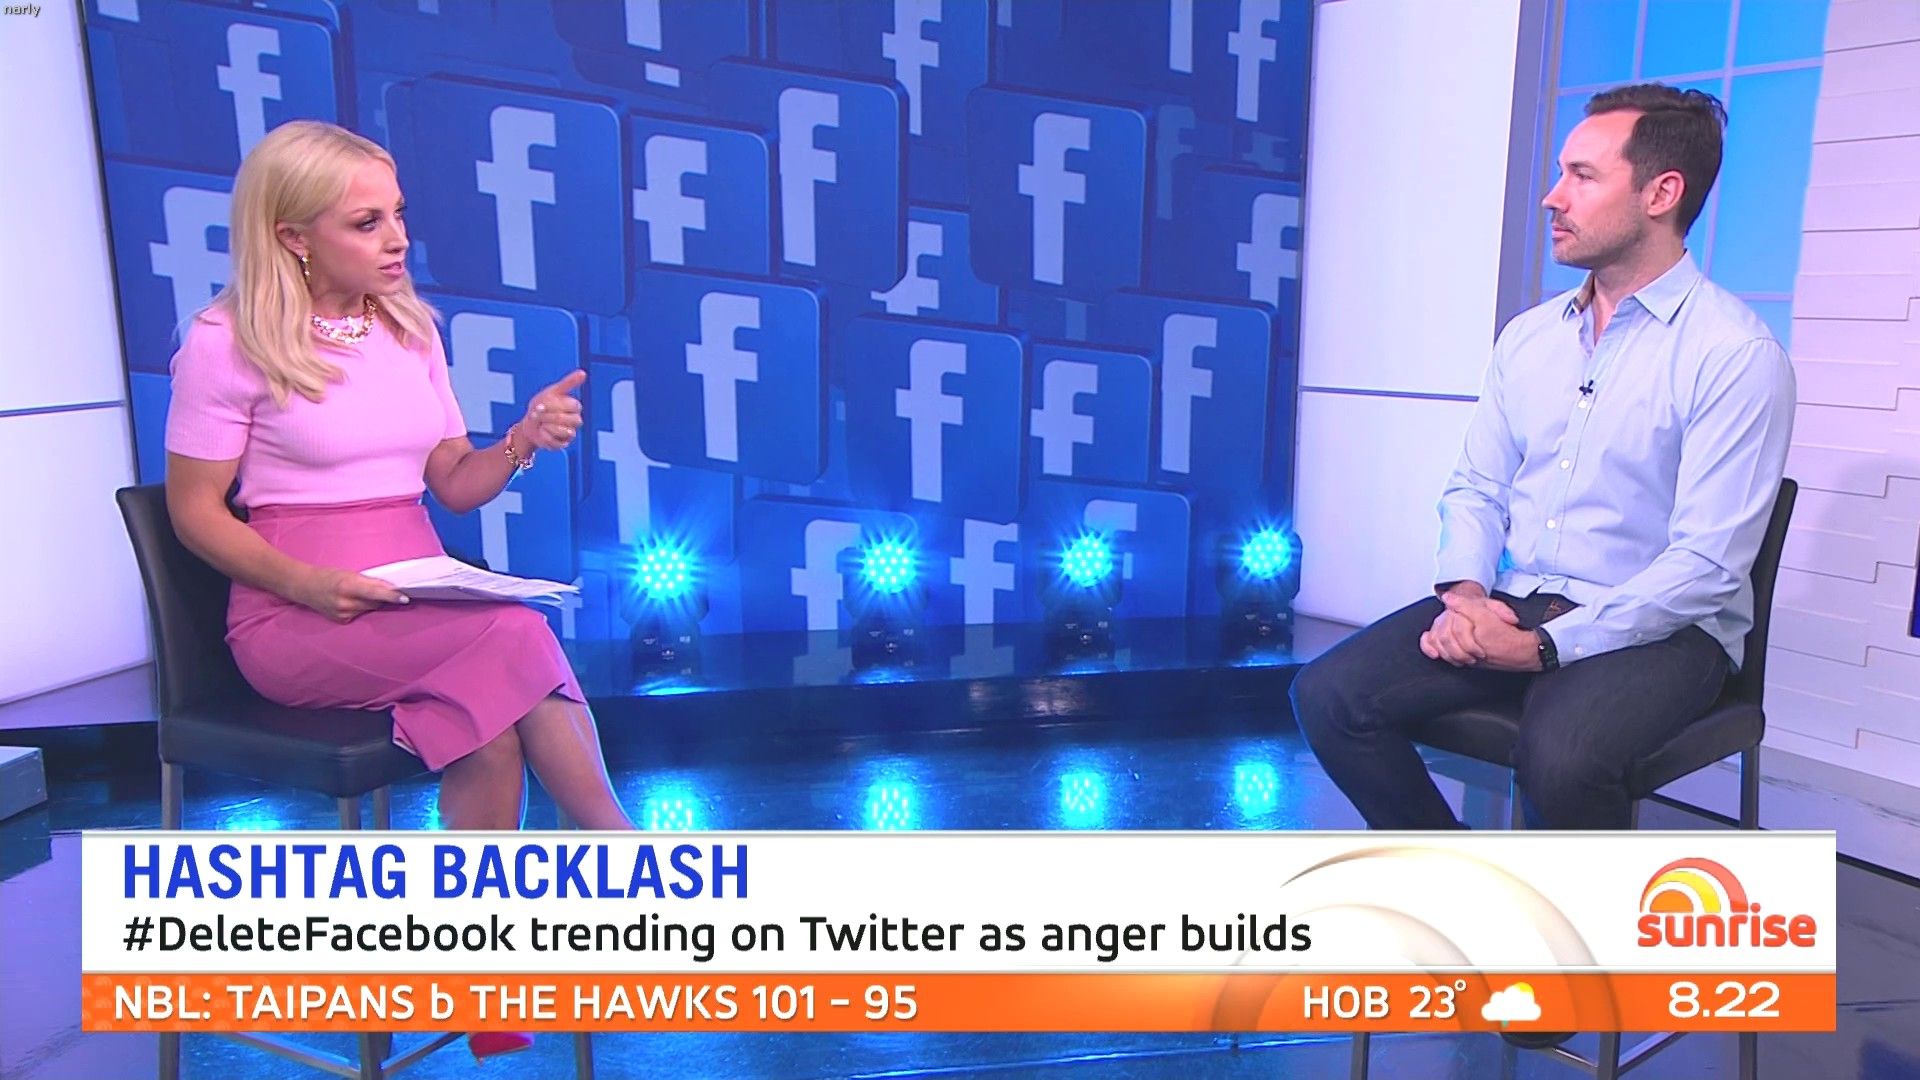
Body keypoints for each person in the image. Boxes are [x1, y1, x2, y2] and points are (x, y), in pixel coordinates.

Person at [163, 120, 631, 1059]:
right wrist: (305, 582)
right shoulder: (224, 343)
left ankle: (486, 976)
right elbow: (193, 513)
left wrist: (522, 440)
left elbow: (452, 483)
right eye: (366, 222)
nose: (396, 240)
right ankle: (627, 860)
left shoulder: (407, 327)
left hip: (416, 598)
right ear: (293, 236)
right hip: (294, 615)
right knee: (513, 637)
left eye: (399, 216)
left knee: (491, 721)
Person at [1291, 84, 1796, 838]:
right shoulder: (1530, 337)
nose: (1552, 197)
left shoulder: (1735, 355)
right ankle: (1463, 882)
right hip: (1520, 595)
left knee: (1562, 760)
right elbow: (1477, 486)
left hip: (1664, 630)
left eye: (1582, 176)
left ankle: (1579, 915)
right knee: (1329, 695)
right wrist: (1467, 597)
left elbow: (1705, 568)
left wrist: (1541, 648)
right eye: (1561, 172)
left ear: (1661, 194)